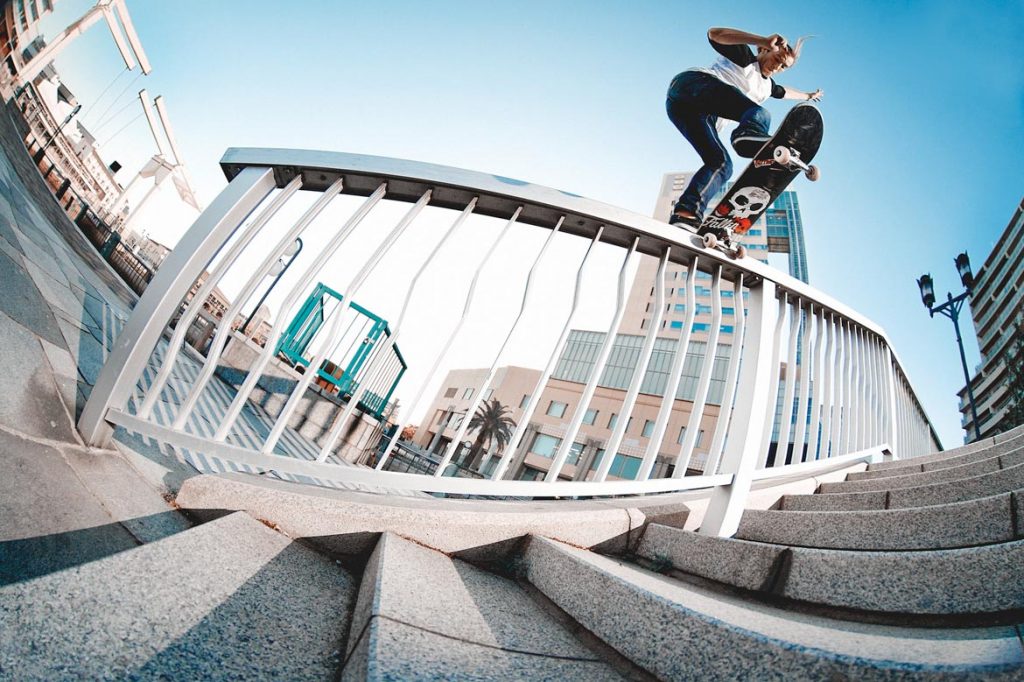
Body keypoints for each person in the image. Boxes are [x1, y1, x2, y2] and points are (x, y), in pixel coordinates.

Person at [666, 27, 823, 229]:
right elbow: (714, 34)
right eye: (777, 59)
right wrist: (762, 40)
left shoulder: (768, 87)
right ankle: (747, 136)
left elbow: (786, 92)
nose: (778, 67)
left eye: (784, 66)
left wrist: (808, 96)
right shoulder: (746, 58)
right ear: (764, 51)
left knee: (721, 165)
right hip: (693, 85)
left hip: (690, 113)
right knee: (760, 114)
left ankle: (685, 214)